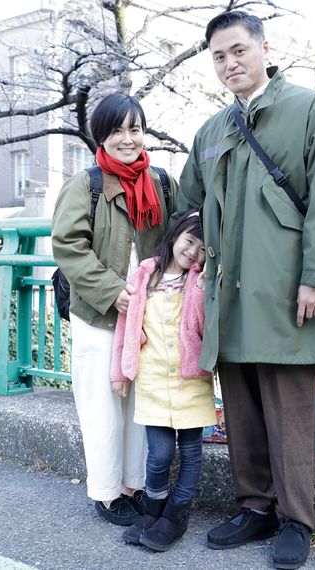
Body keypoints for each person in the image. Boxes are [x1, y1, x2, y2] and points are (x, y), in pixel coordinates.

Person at [172, 10, 315, 570]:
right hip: (228, 296)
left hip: (286, 291)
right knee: (242, 410)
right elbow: (188, 205)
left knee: (290, 410)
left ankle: (296, 520)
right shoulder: (212, 130)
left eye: (238, 50)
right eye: (219, 56)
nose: (230, 63)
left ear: (263, 49)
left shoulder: (309, 110)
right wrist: (185, 250)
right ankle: (254, 506)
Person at [52, 93, 177, 526]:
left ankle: (133, 486)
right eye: (117, 130)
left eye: (135, 129)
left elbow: (179, 235)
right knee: (102, 406)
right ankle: (106, 494)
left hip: (147, 312)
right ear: (101, 136)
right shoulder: (85, 185)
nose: (128, 138)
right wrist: (112, 291)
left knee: (142, 405)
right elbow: (69, 246)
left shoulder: (161, 182)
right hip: (99, 312)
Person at [110, 210, 216, 551]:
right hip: (153, 380)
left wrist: (204, 285)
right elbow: (126, 326)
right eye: (190, 241)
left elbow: (204, 324)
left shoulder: (199, 279)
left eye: (202, 248)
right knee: (159, 454)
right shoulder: (145, 273)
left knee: (191, 452)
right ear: (175, 234)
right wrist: (120, 372)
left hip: (191, 381)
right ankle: (153, 510)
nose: (193, 253)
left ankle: (176, 515)